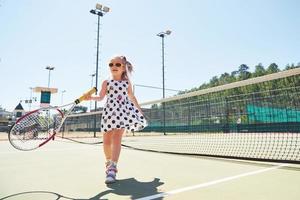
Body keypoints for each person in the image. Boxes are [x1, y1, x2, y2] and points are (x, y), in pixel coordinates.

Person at [88, 55, 147, 184]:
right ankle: (108, 162)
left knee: (117, 139)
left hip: (123, 114)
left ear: (124, 68)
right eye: (111, 64)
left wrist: (140, 111)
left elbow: (132, 97)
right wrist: (91, 98)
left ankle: (113, 167)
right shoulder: (106, 82)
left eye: (117, 64)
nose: (114, 66)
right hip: (109, 114)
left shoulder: (127, 83)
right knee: (106, 142)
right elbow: (101, 97)